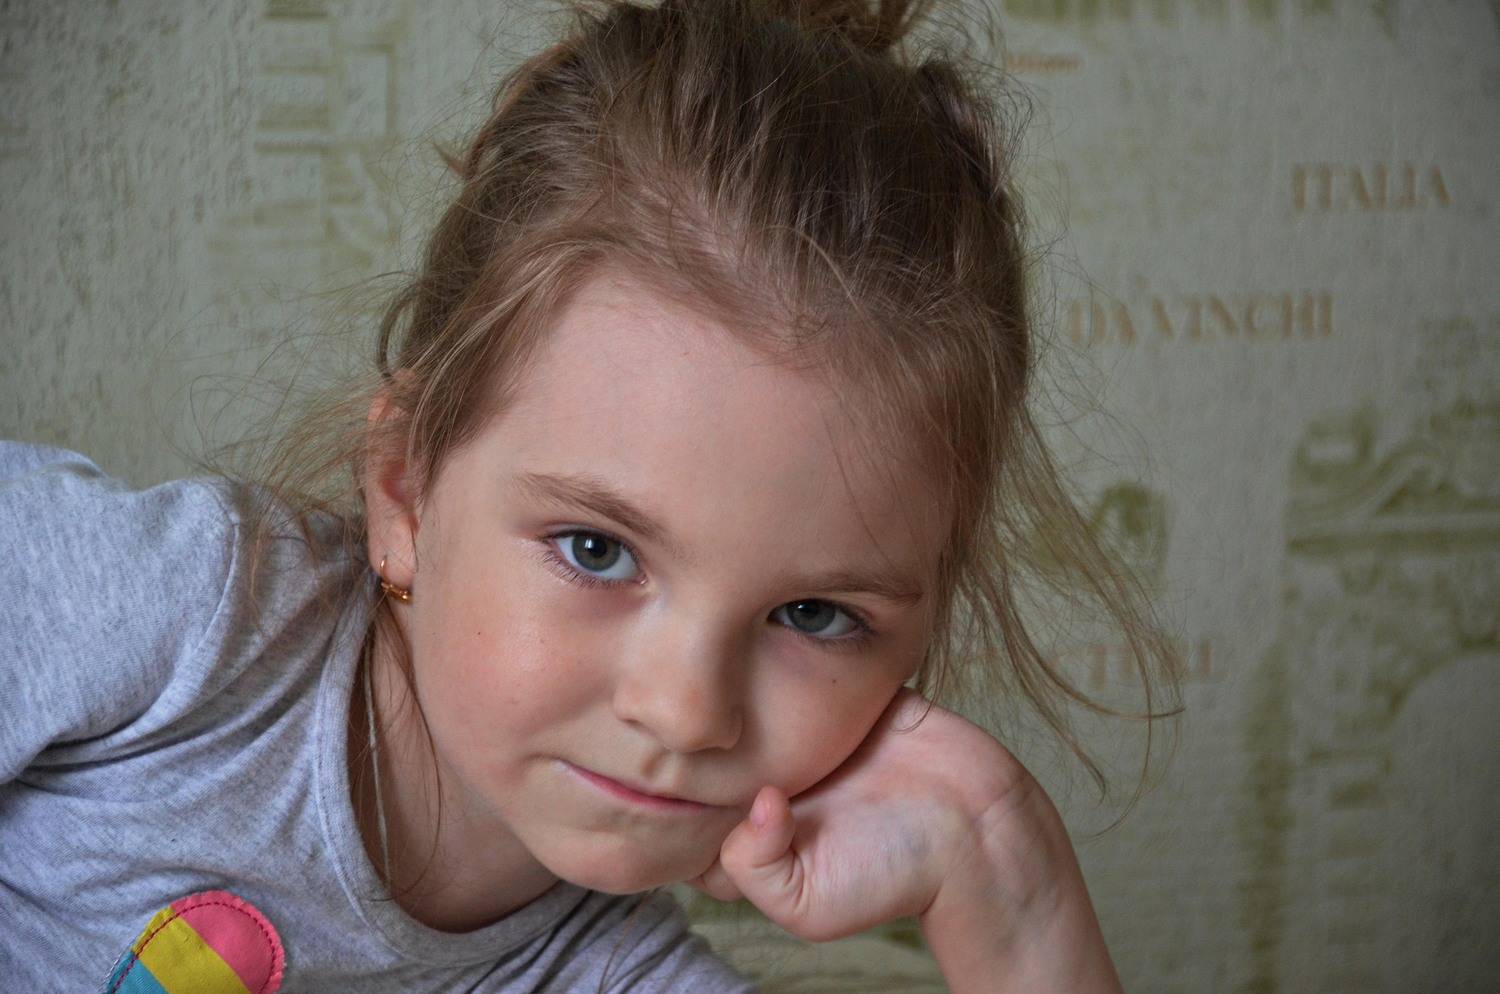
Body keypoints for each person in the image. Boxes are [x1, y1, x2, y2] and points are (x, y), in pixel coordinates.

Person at [0, 0, 1182, 990]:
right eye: (596, 549)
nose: (685, 712)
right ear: (406, 493)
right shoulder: (175, 626)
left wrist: (1003, 869)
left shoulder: (608, 971)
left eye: (815, 615)